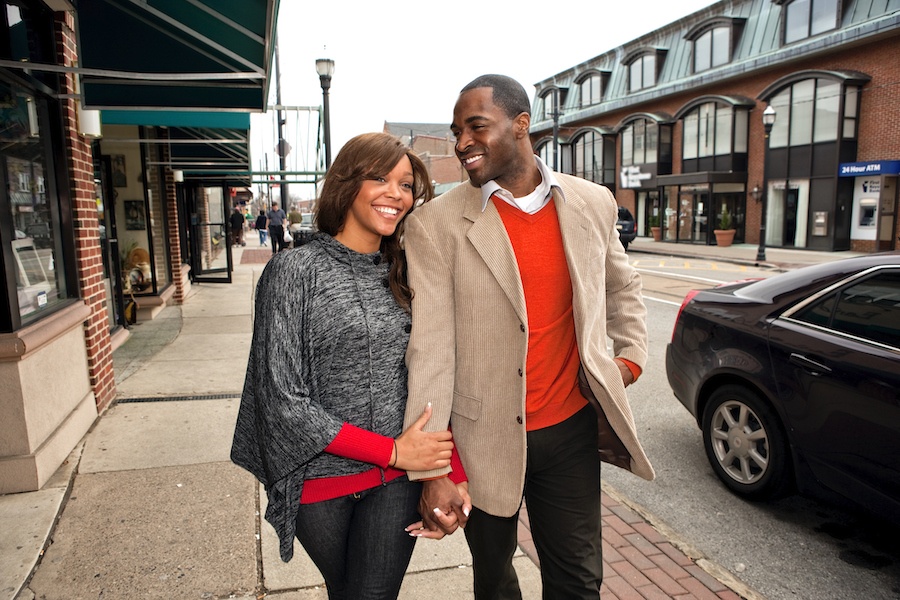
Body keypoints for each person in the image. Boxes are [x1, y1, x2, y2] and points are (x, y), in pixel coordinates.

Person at [401, 74, 654, 599]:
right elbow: (430, 349)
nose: (462, 142)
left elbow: (621, 283)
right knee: (494, 583)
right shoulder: (435, 225)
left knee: (580, 580)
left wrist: (628, 361)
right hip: (482, 437)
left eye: (476, 126)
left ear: (521, 125)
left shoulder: (592, 202)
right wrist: (433, 466)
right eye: (456, 131)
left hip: (568, 431)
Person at [231, 132, 468, 600]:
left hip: (396, 483)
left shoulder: (406, 270)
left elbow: (430, 372)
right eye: (379, 178)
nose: (395, 194)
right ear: (346, 183)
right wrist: (394, 452)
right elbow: (283, 401)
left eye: (405, 185)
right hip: (320, 479)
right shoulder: (294, 271)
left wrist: (448, 469)